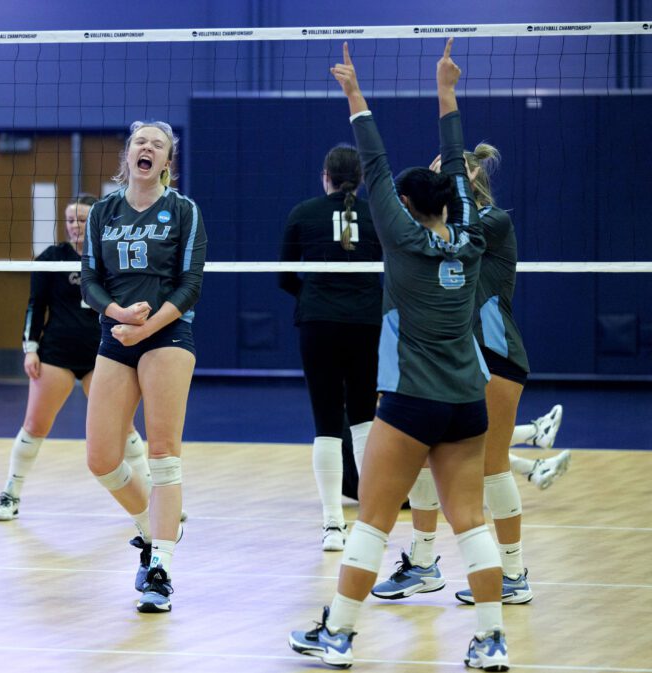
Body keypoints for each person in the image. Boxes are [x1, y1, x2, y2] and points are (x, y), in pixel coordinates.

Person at [289, 39, 510, 671]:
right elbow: (459, 169)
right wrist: (447, 92)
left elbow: (374, 164)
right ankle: (491, 640)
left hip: (411, 401)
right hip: (468, 402)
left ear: (405, 209)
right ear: (451, 201)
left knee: (375, 522)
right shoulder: (470, 236)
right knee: (471, 523)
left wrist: (355, 94)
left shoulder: (402, 239)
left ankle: (338, 634)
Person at [370, 145, 567, 606]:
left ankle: (514, 573)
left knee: (491, 466)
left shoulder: (490, 222)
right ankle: (422, 564)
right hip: (454, 360)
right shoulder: (440, 228)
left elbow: (454, 225)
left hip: (495, 354)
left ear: (466, 179)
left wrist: (444, 186)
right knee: (419, 459)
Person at [81, 120, 207, 614]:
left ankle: (161, 570)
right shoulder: (102, 211)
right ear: (128, 155)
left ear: (167, 161)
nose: (147, 148)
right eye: (140, 142)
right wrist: (117, 315)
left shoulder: (184, 211)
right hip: (116, 333)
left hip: (168, 334)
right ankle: (150, 529)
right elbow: (90, 279)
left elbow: (190, 283)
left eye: (157, 144)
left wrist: (147, 325)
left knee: (162, 453)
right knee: (100, 457)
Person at [0, 195, 149, 521]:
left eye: (82, 219)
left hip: (102, 354)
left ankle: (154, 496)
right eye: (70, 220)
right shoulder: (52, 258)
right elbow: (36, 305)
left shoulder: (110, 258)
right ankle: (10, 493)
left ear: (96, 222)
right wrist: (30, 348)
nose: (75, 226)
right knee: (35, 425)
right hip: (57, 353)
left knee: (125, 426)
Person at [279, 144, 382, 551]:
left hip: (318, 324)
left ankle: (332, 527)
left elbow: (283, 275)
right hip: (365, 323)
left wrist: (314, 298)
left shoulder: (304, 213)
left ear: (326, 176)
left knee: (325, 422)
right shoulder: (377, 214)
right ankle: (372, 520)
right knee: (362, 420)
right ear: (360, 178)